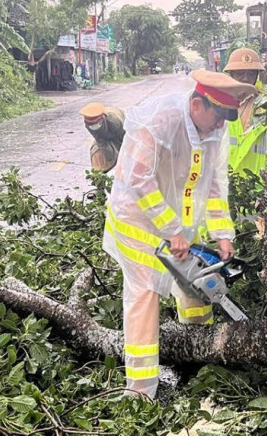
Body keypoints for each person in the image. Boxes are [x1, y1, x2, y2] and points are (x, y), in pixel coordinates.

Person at [102, 70, 255, 399]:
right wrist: (172, 231)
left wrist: (223, 234)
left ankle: (196, 351)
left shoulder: (215, 129)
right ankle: (141, 390)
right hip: (136, 219)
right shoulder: (158, 122)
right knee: (146, 293)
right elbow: (138, 180)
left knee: (195, 278)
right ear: (198, 104)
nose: (220, 125)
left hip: (174, 216)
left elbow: (214, 185)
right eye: (218, 117)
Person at [223, 48, 267, 176]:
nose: (246, 78)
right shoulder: (219, 105)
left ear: (257, 75)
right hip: (227, 185)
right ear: (231, 74)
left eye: (251, 73)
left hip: (258, 186)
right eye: (240, 73)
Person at [79, 102, 125, 173]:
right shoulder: (89, 125)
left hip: (122, 133)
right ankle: (99, 176)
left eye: (95, 122)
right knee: (98, 155)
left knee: (126, 155)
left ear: (102, 118)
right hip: (104, 136)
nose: (92, 126)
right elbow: (100, 141)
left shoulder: (115, 122)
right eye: (90, 123)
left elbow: (125, 138)